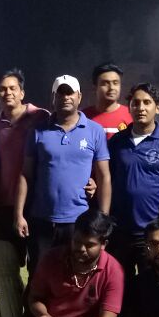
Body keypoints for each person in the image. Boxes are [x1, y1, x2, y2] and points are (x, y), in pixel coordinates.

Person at [15, 74, 111, 276]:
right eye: (61, 93)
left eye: (70, 93)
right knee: (39, 276)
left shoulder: (95, 131)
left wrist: (103, 218)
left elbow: (104, 177)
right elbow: (25, 175)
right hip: (42, 219)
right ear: (53, 98)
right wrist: (19, 214)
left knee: (74, 276)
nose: (66, 97)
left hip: (78, 222)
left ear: (79, 96)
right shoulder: (38, 131)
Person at [0, 69, 50, 317]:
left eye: (12, 88)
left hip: (37, 207)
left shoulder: (41, 117)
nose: (7, 93)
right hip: (4, 205)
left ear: (22, 92)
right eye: (2, 89)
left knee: (39, 270)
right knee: (4, 266)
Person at [107, 83, 159, 277]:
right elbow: (107, 180)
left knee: (151, 285)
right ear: (130, 107)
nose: (140, 108)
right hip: (119, 230)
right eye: (135, 103)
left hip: (152, 233)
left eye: (146, 102)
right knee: (119, 284)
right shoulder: (117, 141)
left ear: (157, 108)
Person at [82, 62, 132, 139]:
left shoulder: (131, 115)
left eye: (115, 83)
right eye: (105, 83)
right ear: (95, 87)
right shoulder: (82, 117)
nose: (111, 87)